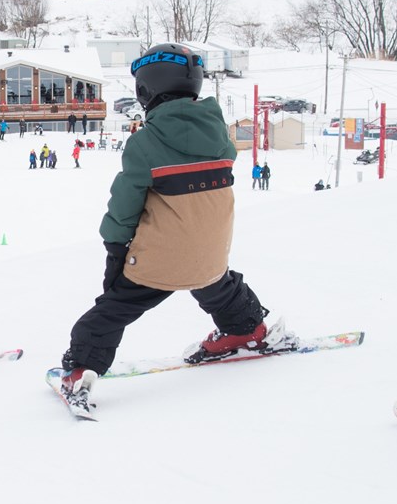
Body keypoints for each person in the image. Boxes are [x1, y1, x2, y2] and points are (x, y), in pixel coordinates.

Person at [56, 43, 284, 413]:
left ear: (145, 89)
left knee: (114, 308)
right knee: (217, 287)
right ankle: (247, 329)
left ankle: (82, 368)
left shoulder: (146, 143)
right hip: (213, 252)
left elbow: (124, 204)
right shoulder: (222, 137)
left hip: (160, 259)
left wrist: (115, 248)